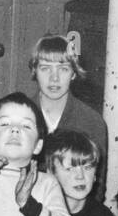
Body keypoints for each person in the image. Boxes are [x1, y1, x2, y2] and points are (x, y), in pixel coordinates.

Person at [29, 35, 109, 184]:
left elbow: (98, 184)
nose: (54, 78)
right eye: (45, 68)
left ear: (73, 73)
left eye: (63, 69)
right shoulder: (18, 116)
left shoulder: (92, 122)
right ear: (35, 70)